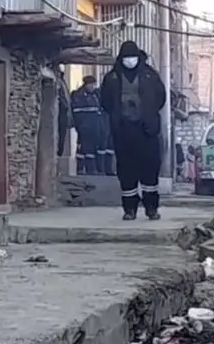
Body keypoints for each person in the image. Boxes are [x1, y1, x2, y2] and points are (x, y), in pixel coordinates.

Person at [100, 41, 167, 220]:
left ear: (139, 57)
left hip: (147, 132)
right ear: (121, 59)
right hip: (123, 132)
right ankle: (129, 210)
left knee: (150, 171)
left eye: (133, 57)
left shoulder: (150, 75)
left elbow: (161, 97)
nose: (130, 61)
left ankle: (151, 208)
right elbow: (105, 101)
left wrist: (149, 115)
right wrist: (118, 117)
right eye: (126, 58)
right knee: (127, 172)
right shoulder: (112, 77)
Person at [70, 75, 102, 175]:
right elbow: (77, 113)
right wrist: (81, 126)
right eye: (91, 85)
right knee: (84, 148)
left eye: (94, 85)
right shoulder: (79, 95)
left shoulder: (94, 95)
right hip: (84, 127)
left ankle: (90, 169)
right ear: (86, 84)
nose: (93, 87)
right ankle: (84, 169)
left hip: (93, 127)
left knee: (90, 149)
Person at [56, 67, 72, 158]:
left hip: (64, 113)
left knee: (62, 135)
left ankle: (60, 153)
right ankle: (59, 153)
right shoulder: (60, 83)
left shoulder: (63, 83)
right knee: (60, 134)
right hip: (61, 112)